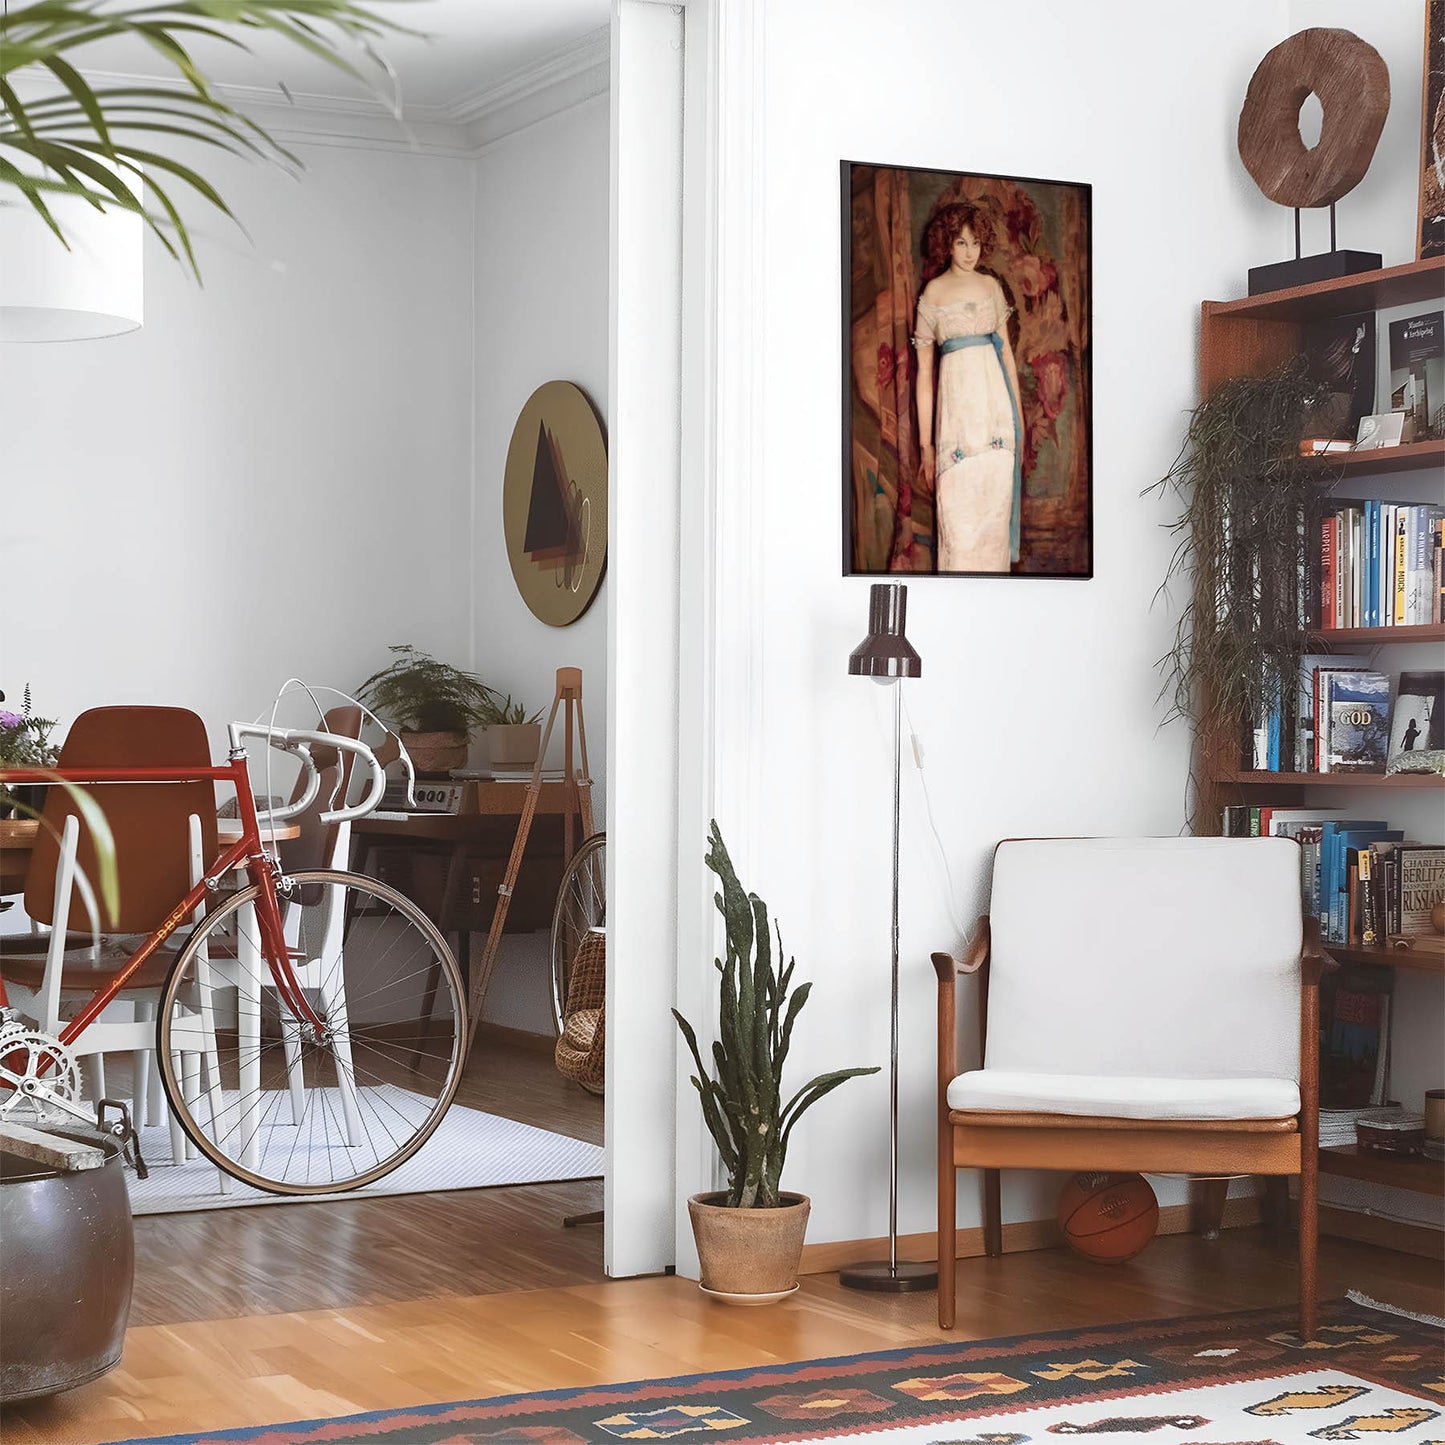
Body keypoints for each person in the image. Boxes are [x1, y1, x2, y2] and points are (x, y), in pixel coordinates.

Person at [912, 202, 1024, 572]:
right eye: (960, 243)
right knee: (959, 533)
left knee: (993, 528)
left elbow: (1007, 358)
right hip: (956, 424)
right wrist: (926, 446)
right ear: (947, 243)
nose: (969, 252)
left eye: (975, 243)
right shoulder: (933, 293)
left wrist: (1018, 421)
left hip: (996, 421)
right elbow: (924, 378)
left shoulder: (991, 287)